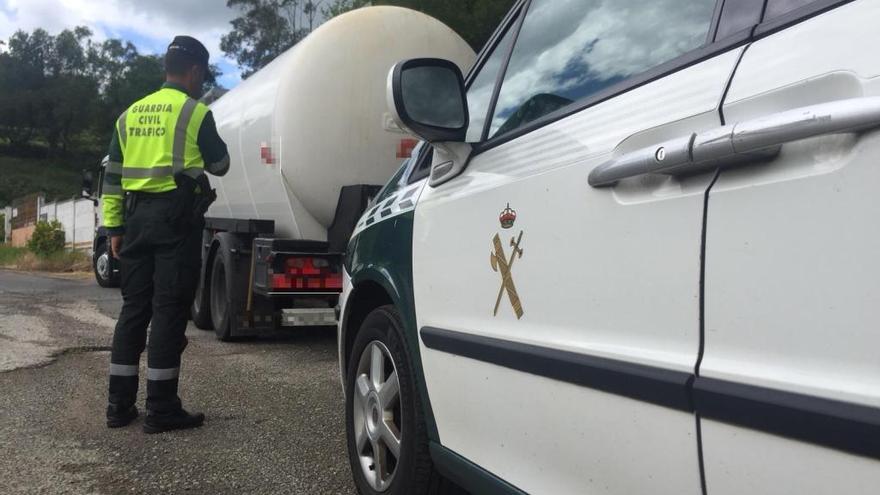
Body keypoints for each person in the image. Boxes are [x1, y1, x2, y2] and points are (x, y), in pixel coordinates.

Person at [102, 35, 230, 434]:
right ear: (193, 71)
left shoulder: (128, 116)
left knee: (134, 310)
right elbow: (221, 163)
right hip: (176, 223)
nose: (201, 81)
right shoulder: (195, 113)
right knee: (169, 311)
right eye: (202, 74)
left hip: (135, 221)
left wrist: (114, 229)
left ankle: (118, 407)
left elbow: (111, 178)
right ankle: (161, 409)